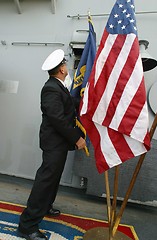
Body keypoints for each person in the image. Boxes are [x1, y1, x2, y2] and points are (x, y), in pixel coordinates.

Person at [18, 49, 86, 240]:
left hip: (59, 142)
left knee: (53, 179)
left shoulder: (58, 86)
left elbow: (67, 104)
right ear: (62, 69)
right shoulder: (51, 88)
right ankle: (27, 226)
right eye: (65, 65)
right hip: (54, 142)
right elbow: (57, 118)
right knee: (45, 181)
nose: (66, 67)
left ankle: (46, 206)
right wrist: (77, 138)